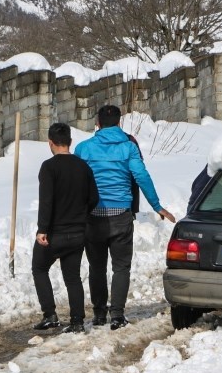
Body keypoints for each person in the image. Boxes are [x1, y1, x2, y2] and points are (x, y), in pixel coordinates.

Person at [74, 105, 176, 330]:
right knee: (121, 267)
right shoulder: (128, 148)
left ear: (97, 124)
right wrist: (157, 206)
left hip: (93, 216)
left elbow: (76, 181)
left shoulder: (83, 148)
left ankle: (99, 314)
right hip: (120, 214)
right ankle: (118, 315)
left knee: (96, 267)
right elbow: (141, 176)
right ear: (119, 123)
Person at [32, 122, 99, 334]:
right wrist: (81, 215)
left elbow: (47, 201)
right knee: (72, 278)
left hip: (54, 233)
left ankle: (50, 315)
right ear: (70, 142)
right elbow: (94, 198)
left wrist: (42, 229)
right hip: (78, 233)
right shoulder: (83, 166)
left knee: (39, 268)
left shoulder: (49, 167)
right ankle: (77, 321)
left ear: (50, 143)